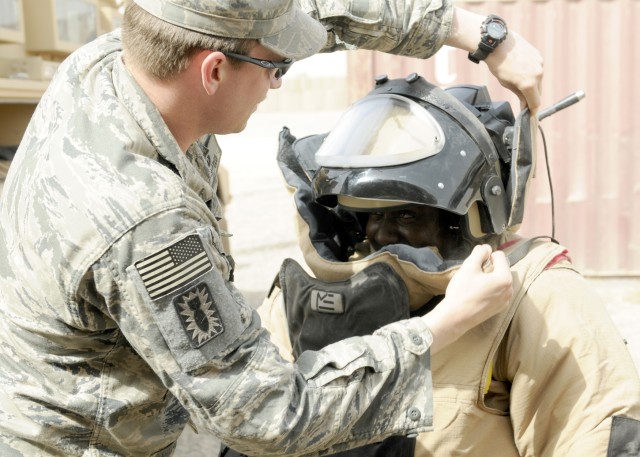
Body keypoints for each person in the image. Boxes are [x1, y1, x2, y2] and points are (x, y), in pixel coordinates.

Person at [0, 0, 544, 455]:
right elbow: (266, 413)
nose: (279, 83)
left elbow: (312, 14)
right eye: (276, 69)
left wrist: (482, 35)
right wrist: (441, 325)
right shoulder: (148, 226)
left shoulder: (116, 59)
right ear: (212, 71)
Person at [240, 76, 640, 456]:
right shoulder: (311, 293)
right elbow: (249, 418)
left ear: (461, 218)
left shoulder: (532, 294)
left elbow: (592, 432)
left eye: (407, 216)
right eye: (370, 215)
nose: (382, 233)